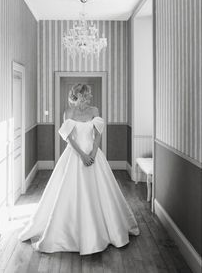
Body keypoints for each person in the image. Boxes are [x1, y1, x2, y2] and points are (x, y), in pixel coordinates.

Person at [19, 83, 139, 255]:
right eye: (85, 95)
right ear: (77, 96)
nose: (88, 98)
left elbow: (97, 135)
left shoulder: (94, 111)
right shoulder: (68, 113)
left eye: (89, 95)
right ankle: (67, 234)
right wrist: (83, 155)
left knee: (101, 193)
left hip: (94, 154)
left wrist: (93, 154)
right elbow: (69, 139)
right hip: (74, 155)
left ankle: (106, 230)